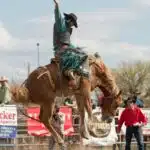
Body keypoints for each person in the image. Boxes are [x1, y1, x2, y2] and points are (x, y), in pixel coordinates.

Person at [52, 0, 89, 89]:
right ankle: (69, 72)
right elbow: (58, 16)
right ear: (69, 20)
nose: (72, 25)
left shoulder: (68, 29)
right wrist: (57, 5)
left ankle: (78, 70)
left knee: (83, 53)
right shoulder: (61, 24)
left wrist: (76, 48)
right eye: (73, 23)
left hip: (67, 48)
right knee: (74, 55)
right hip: (60, 50)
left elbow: (68, 43)